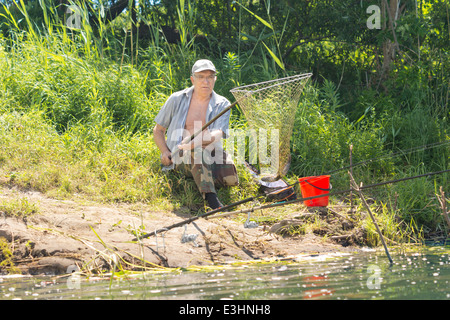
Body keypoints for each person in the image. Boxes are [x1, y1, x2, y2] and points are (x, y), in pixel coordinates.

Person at [153, 59, 239, 209]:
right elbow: (158, 130)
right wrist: (165, 152)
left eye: (210, 77)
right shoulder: (176, 99)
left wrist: (195, 141)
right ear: (193, 79)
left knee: (230, 178)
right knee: (198, 152)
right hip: (180, 154)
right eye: (201, 77)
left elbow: (218, 133)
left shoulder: (223, 103)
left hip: (211, 152)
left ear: (215, 79)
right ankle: (212, 201)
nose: (206, 81)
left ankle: (199, 176)